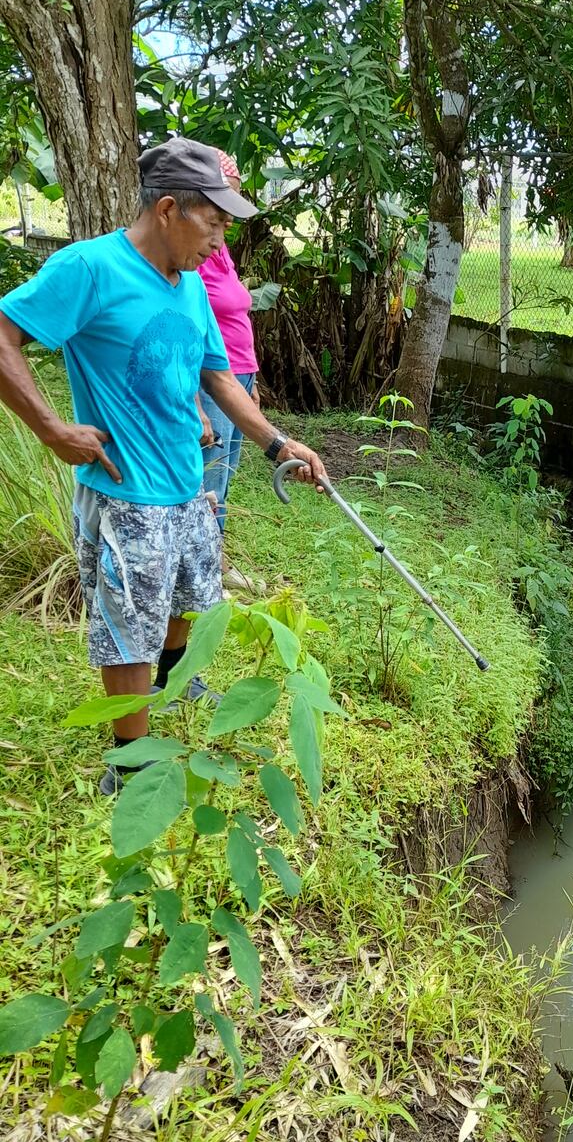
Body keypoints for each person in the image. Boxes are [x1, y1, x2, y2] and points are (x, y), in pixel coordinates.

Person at [0, 136, 327, 794]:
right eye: (215, 221)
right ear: (171, 208)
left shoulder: (190, 285)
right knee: (128, 627)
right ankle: (129, 758)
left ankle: (178, 682)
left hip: (188, 479)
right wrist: (53, 431)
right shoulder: (89, 269)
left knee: (188, 595)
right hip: (128, 492)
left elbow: (221, 376)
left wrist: (276, 444)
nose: (221, 239)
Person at [197, 149, 261, 546]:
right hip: (211, 379)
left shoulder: (219, 250)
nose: (227, 223)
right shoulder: (190, 257)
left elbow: (236, 314)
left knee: (228, 471)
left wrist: (253, 381)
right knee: (210, 474)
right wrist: (195, 401)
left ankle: (216, 556)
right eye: (219, 210)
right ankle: (207, 565)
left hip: (238, 373)